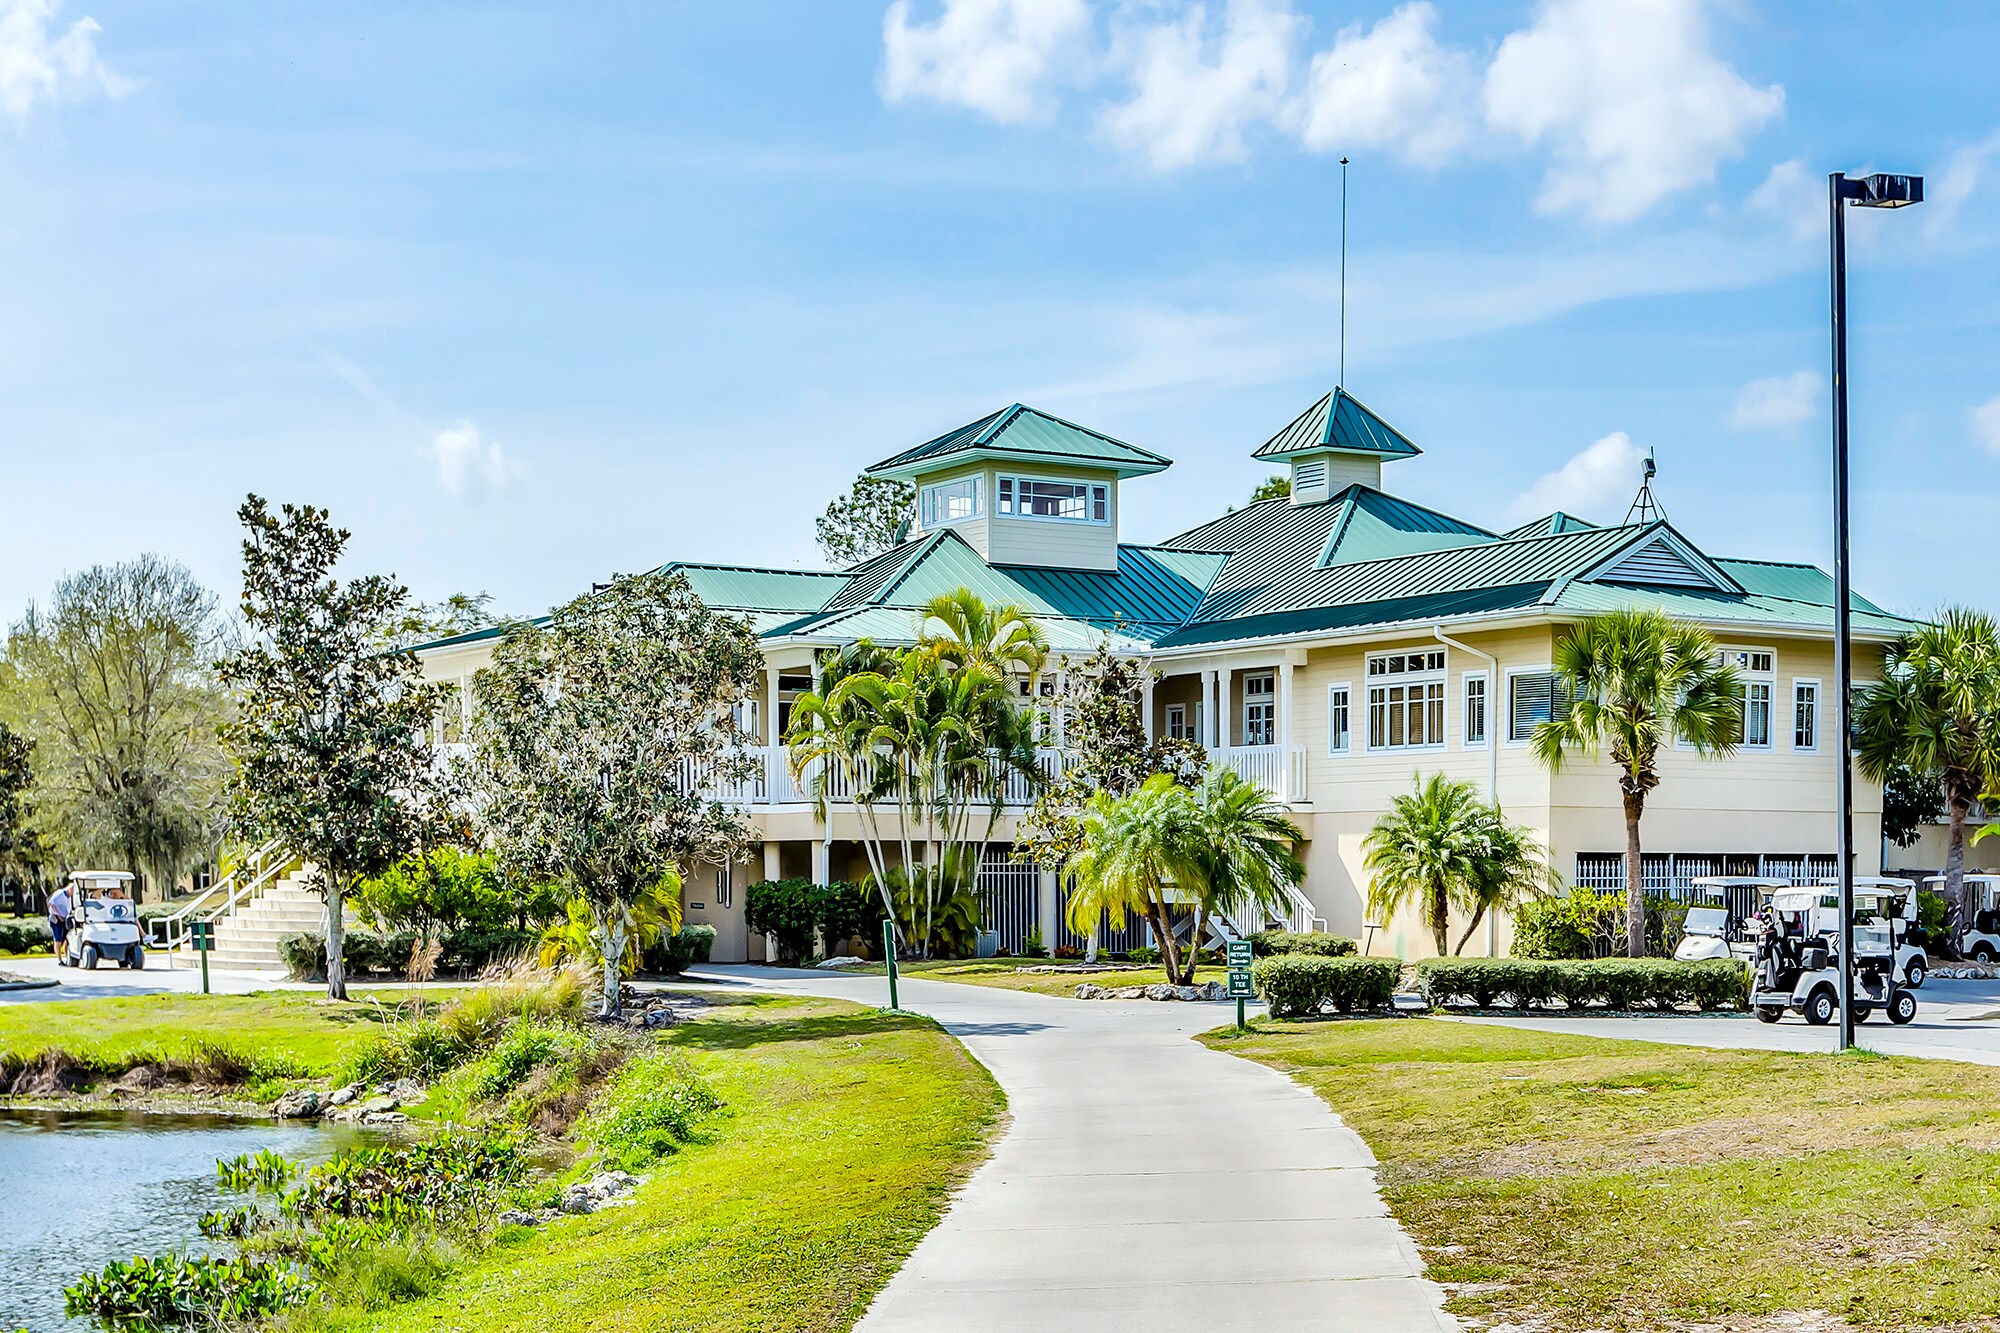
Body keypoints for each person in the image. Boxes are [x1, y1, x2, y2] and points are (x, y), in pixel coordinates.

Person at [47, 881, 72, 959]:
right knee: (58, 940)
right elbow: (50, 903)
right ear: (69, 889)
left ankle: (68, 958)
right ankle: (59, 959)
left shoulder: (70, 897)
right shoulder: (60, 894)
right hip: (56, 920)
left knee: (67, 939)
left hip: (65, 919)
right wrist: (58, 914)